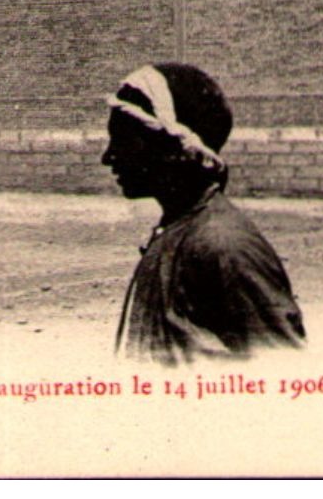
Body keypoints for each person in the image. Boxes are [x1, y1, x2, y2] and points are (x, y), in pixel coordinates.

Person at [103, 62, 305, 363]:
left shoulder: (224, 246)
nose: (108, 157)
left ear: (175, 148)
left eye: (124, 140)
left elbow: (283, 375)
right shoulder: (179, 228)